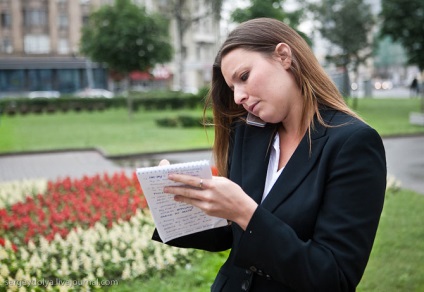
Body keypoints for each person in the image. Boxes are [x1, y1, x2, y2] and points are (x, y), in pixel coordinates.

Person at [154, 18, 387, 291]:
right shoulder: (249, 132)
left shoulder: (353, 144)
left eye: (243, 77)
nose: (239, 96)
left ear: (283, 56)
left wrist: (245, 212)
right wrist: (173, 206)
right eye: (232, 88)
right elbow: (231, 235)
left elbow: (333, 277)